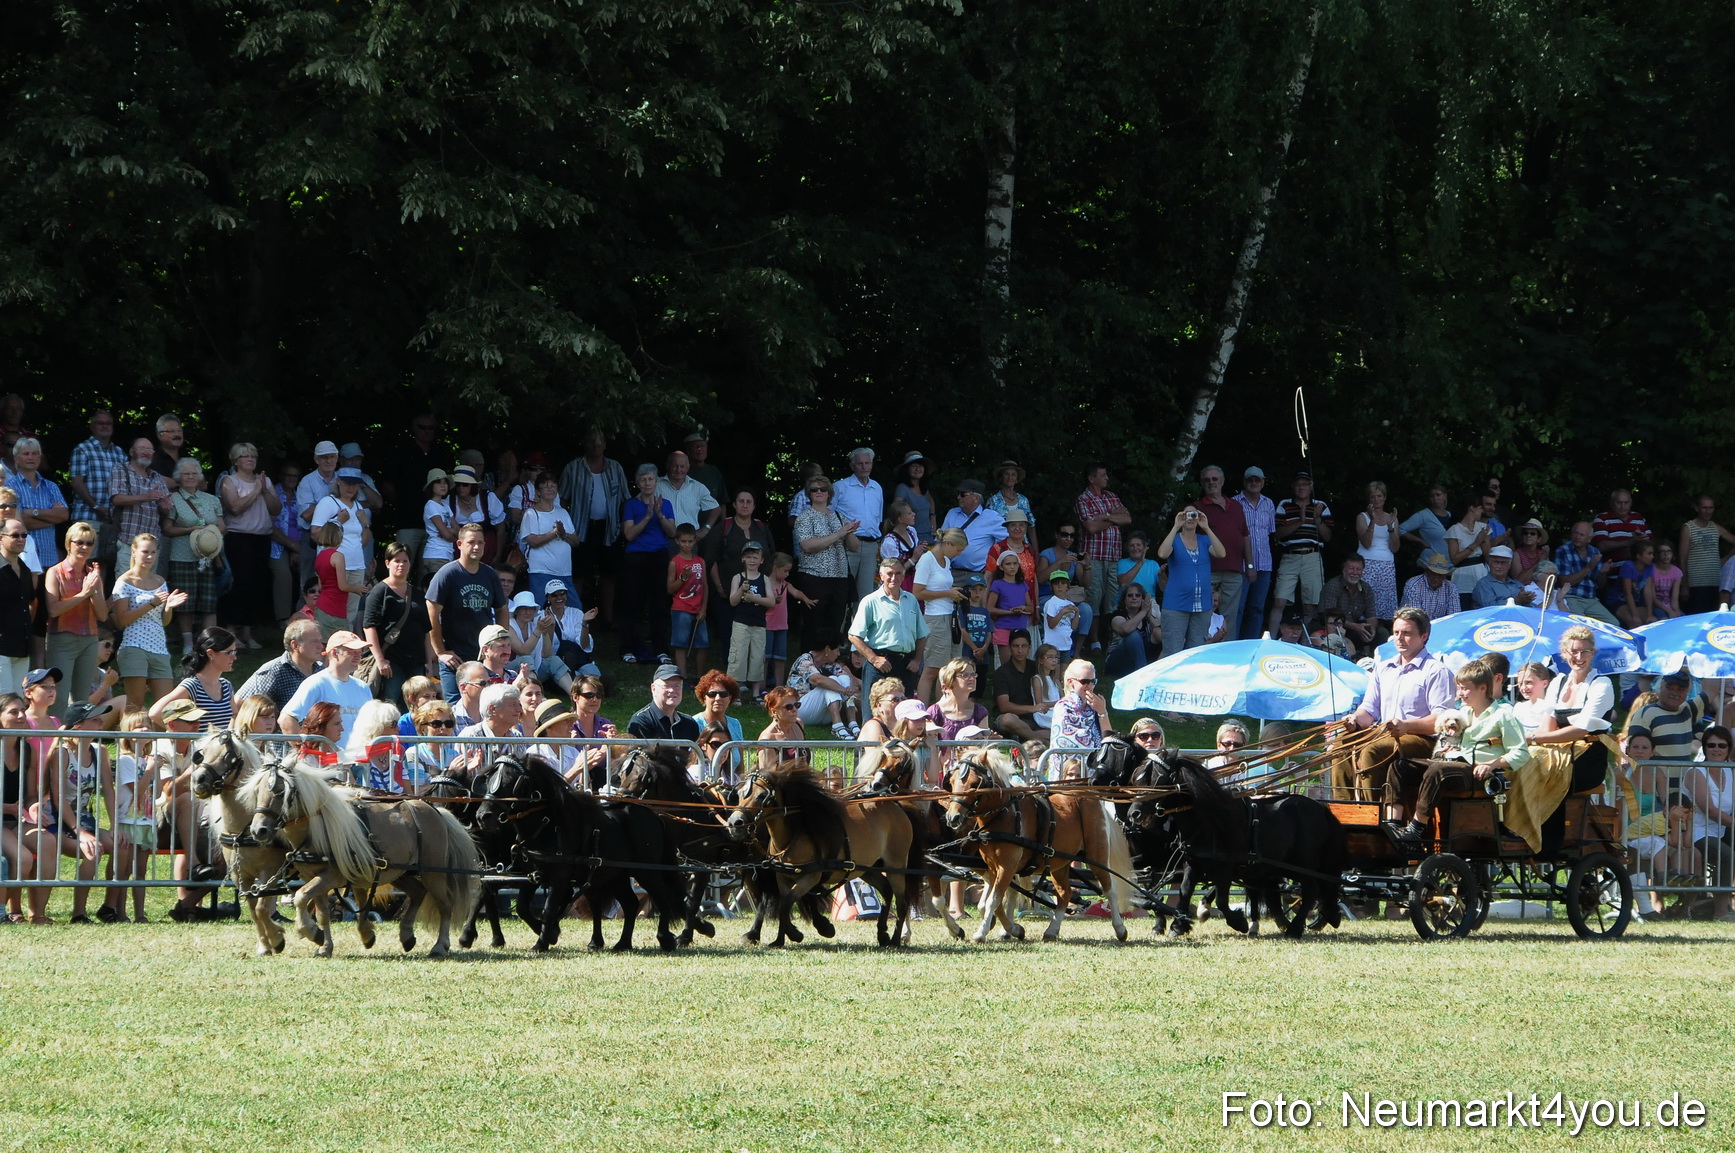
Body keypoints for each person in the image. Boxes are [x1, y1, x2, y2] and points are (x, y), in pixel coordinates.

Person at [1385, 655, 1531, 846]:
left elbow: (1521, 753)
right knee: (1401, 766)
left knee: (1437, 771)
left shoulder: (1503, 715)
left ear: (1483, 688)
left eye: (1465, 688)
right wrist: (1445, 749)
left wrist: (1492, 764)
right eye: (1459, 688)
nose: (1460, 693)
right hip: (1453, 764)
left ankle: (1416, 829)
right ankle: (1393, 824)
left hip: (1479, 773)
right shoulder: (1464, 714)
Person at [1338, 607, 1455, 801]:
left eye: (1407, 633)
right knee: (1341, 742)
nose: (1399, 638)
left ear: (1424, 636)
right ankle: (1343, 808)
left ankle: (1373, 812)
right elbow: (1369, 709)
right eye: (1396, 633)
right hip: (1386, 734)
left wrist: (1405, 726)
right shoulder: (1383, 669)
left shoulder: (1437, 671)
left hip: (1423, 740)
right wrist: (1354, 720)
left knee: (1372, 750)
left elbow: (1441, 721)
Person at [1526, 624, 1618, 848]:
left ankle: (1550, 843)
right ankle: (1520, 829)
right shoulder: (1558, 683)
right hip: (1559, 752)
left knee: (1549, 774)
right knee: (1520, 766)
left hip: (1589, 758)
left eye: (1584, 651)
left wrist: (1535, 739)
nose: (1579, 657)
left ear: (1593, 653)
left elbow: (1581, 729)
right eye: (1574, 651)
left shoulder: (1601, 684)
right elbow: (1548, 727)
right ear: (1564, 654)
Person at [31, 699, 121, 922]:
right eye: (95, 719)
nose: (101, 722)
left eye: (101, 718)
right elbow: (58, 798)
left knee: (122, 846)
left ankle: (109, 908)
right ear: (78, 726)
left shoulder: (100, 751)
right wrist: (80, 832)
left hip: (84, 820)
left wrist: (116, 827)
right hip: (58, 821)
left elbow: (109, 791)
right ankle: (79, 913)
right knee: (93, 848)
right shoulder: (62, 753)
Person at [426, 523, 509, 701]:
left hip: (483, 655)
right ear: (459, 544)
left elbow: (502, 608)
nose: (477, 547)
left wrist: (501, 643)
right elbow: (431, 613)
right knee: (455, 707)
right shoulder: (447, 574)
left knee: (486, 706)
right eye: (471, 542)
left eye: (481, 542)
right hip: (454, 657)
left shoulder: (490, 574)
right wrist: (441, 652)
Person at [558, 429, 628, 630]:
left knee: (610, 574)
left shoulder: (615, 467)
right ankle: (574, 620)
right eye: (591, 443)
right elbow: (562, 498)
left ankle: (607, 619)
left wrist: (623, 523)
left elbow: (625, 498)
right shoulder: (573, 467)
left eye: (599, 443)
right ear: (585, 444)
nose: (595, 446)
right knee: (579, 574)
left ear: (605, 445)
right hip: (581, 527)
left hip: (610, 527)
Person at [110, 533, 186, 712]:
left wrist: (169, 607)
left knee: (166, 707)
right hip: (134, 646)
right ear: (134, 552)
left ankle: (159, 741)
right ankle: (129, 740)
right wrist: (151, 603)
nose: (150, 556)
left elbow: (164, 622)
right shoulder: (124, 582)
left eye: (153, 552)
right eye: (145, 552)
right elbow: (121, 620)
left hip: (158, 646)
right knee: (135, 704)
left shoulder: (159, 581)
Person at [217, 442, 281, 649]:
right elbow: (235, 508)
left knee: (257, 584)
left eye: (253, 456)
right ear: (235, 461)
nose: (250, 459)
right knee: (239, 584)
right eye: (245, 456)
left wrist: (265, 491)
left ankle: (247, 631)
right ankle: (231, 631)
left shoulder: (265, 481)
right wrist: (256, 491)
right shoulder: (229, 481)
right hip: (238, 538)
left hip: (261, 538)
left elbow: (276, 509)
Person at [43, 521, 109, 718]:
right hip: (62, 638)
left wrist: (94, 589)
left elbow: (103, 615)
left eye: (89, 543)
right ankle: (55, 743)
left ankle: (78, 744)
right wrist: (83, 593)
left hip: (89, 639)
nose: (84, 547)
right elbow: (53, 610)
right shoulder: (55, 572)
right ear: (68, 544)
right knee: (59, 697)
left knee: (82, 699)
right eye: (79, 542)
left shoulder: (92, 573)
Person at [162, 458, 225, 652]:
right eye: (186, 474)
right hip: (181, 555)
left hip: (207, 556)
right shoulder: (172, 499)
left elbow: (223, 526)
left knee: (208, 602)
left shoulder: (212, 500)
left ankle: (210, 644)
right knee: (185, 603)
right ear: (178, 478)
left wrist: (211, 530)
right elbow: (167, 529)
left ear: (199, 477)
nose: (190, 477)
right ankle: (188, 643)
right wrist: (192, 529)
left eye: (194, 474)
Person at [362, 541, 433, 708]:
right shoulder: (379, 592)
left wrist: (429, 663)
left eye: (405, 560)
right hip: (391, 661)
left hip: (416, 661)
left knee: (419, 706)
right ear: (387, 563)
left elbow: (426, 630)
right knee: (391, 704)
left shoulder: (416, 593)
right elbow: (369, 626)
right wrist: (380, 660)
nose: (401, 565)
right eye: (397, 560)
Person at [847, 556, 927, 702]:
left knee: (905, 714)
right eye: (889, 573)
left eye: (898, 573)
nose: (893, 578)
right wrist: (873, 658)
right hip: (881, 664)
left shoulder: (911, 600)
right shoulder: (870, 601)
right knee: (874, 713)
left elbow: (922, 633)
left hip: (907, 665)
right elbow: (853, 636)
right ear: (881, 575)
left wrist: (917, 659)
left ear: (903, 576)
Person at [791, 474, 857, 651]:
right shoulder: (805, 517)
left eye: (823, 489)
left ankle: (831, 665)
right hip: (815, 577)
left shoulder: (839, 516)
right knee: (813, 626)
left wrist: (849, 532)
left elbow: (855, 547)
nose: (819, 492)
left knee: (835, 625)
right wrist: (838, 534)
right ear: (809, 494)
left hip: (839, 578)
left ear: (829, 493)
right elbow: (807, 546)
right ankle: (808, 665)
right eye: (814, 489)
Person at [705, 486, 775, 652]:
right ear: (734, 505)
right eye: (741, 501)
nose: (745, 505)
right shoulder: (723, 527)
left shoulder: (761, 528)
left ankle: (756, 675)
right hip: (728, 593)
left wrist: (770, 589)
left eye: (748, 502)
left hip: (758, 596)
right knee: (730, 638)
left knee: (756, 637)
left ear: (754, 506)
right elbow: (711, 559)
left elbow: (772, 558)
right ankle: (731, 675)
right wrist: (720, 587)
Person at [280, 630, 376, 751]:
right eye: (352, 652)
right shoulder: (316, 683)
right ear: (335, 653)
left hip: (359, 763)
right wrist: (306, 754)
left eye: (359, 652)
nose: (358, 656)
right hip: (327, 765)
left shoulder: (363, 687)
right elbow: (286, 720)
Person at [620, 462, 676, 664]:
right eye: (643, 480)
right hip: (636, 556)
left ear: (656, 481)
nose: (647, 483)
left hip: (659, 556)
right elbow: (629, 534)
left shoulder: (666, 504)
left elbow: (672, 532)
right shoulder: (631, 505)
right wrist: (648, 516)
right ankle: (628, 649)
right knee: (632, 604)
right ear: (637, 483)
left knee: (659, 605)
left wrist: (659, 514)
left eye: (650, 479)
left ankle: (661, 649)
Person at [1267, 471, 1333, 633]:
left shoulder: (1320, 505)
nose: (1301, 487)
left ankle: (1307, 644)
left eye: (1305, 484)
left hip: (1312, 556)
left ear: (1311, 486)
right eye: (1298, 484)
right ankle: (1271, 640)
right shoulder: (1285, 504)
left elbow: (1328, 536)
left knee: (1311, 604)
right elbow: (1278, 534)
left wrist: (1317, 520)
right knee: (1279, 601)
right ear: (1293, 486)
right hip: (1290, 556)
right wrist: (1301, 521)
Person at [1073, 464, 1130, 651]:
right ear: (1092, 478)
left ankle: (1113, 639)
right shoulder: (1083, 500)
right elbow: (1091, 527)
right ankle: (1095, 642)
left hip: (1113, 557)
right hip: (1093, 556)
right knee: (1093, 598)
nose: (1106, 478)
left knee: (1113, 599)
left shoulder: (1111, 496)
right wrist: (1113, 518)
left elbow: (1127, 518)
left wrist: (1105, 516)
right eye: (1103, 475)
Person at [1681, 728, 1735, 920]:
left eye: (1722, 745)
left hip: (1720, 831)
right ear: (1704, 747)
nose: (1716, 749)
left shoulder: (1731, 771)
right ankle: (1721, 911)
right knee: (1726, 855)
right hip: (1693, 832)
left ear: (1729, 749)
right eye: (1711, 745)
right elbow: (1710, 810)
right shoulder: (1695, 772)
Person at [1158, 505, 1224, 658]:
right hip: (1176, 605)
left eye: (1194, 514)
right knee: (1172, 652)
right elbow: (1162, 553)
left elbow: (1221, 553)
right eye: (1186, 514)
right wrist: (1176, 526)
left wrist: (1206, 527)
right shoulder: (1174, 539)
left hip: (1202, 605)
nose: (1190, 518)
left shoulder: (1204, 540)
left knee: (1196, 652)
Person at [67, 409, 127, 577]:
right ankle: (80, 601)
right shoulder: (82, 449)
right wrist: (97, 506)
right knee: (84, 564)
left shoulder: (120, 453)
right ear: (92, 426)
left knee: (104, 565)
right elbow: (77, 483)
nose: (104, 426)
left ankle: (98, 602)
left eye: (108, 423)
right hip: (88, 517)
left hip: (112, 520)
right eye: (100, 423)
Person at [149, 625, 238, 735]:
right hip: (198, 750)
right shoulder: (192, 685)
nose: (234, 657)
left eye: (234, 652)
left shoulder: (226, 685)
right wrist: (184, 735)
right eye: (229, 652)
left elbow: (234, 715)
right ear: (211, 653)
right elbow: (155, 713)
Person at [1193, 464, 1250, 633]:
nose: (1211, 482)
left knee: (1230, 616)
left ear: (1223, 481)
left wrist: (1251, 565)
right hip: (1208, 569)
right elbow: (1190, 539)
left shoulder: (1237, 506)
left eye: (1215, 479)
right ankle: (1203, 649)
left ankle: (1229, 653)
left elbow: (1245, 536)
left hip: (1234, 569)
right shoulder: (1197, 508)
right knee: (1204, 613)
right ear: (1202, 484)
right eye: (1207, 480)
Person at [383, 412, 443, 566]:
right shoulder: (401, 452)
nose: (427, 431)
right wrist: (403, 504)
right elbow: (388, 485)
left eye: (431, 428)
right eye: (422, 427)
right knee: (402, 566)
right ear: (414, 429)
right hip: (408, 521)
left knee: (428, 572)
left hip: (435, 526)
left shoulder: (440, 453)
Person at [109, 437, 173, 577]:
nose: (146, 452)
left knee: (148, 592)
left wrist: (165, 507)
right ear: (132, 452)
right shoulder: (121, 469)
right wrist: (146, 496)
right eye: (142, 449)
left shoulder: (157, 477)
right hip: (128, 542)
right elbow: (117, 499)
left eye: (149, 450)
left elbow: (165, 511)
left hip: (152, 546)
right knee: (125, 590)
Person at [235, 618, 325, 713]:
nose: (321, 646)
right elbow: (238, 704)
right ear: (295, 645)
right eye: (314, 642)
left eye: (320, 641)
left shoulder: (322, 670)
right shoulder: (273, 671)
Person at [832, 447, 885, 603]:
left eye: (867, 463)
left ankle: (861, 628)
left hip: (870, 546)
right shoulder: (840, 487)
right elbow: (829, 515)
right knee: (842, 592)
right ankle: (839, 628)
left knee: (866, 597)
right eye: (860, 463)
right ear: (852, 465)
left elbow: (878, 519)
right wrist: (846, 534)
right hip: (847, 544)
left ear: (872, 464)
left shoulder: (877, 487)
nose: (864, 467)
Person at [517, 469, 576, 604]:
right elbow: (533, 542)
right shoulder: (531, 514)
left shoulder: (563, 513)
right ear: (538, 491)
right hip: (540, 571)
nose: (550, 489)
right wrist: (554, 533)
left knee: (574, 608)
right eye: (545, 486)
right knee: (540, 609)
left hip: (564, 571)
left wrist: (563, 534)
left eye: (553, 486)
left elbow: (576, 541)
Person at [1233, 467, 1277, 639]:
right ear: (1244, 482)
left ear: (1263, 482)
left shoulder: (1269, 503)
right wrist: (1249, 565)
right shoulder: (1234, 503)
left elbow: (1270, 533)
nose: (1254, 483)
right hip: (1241, 564)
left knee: (1258, 608)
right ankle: (1233, 644)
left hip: (1265, 564)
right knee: (1238, 608)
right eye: (1250, 480)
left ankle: (1251, 644)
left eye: (1257, 480)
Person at [11, 438, 68, 569]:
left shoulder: (51, 486)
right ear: (16, 459)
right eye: (26, 454)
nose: (31, 457)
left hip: (50, 559)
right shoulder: (11, 488)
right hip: (23, 560)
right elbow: (20, 523)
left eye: (35, 453)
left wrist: (33, 512)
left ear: (39, 458)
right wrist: (52, 518)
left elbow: (64, 515)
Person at [1048, 658, 1110, 777]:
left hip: (1092, 774)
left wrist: (1102, 712)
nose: (1090, 686)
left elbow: (1108, 737)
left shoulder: (1095, 706)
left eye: (1093, 681)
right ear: (1071, 682)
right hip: (1067, 774)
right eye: (1085, 681)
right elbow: (1067, 741)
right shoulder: (1062, 706)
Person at [789, 636, 860, 739]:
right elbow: (817, 680)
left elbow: (846, 677)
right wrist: (844, 690)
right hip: (800, 710)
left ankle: (852, 724)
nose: (838, 654)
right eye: (837, 650)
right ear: (827, 649)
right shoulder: (805, 659)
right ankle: (837, 725)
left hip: (822, 714)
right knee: (830, 681)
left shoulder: (830, 664)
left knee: (843, 678)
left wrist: (851, 689)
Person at [728, 540, 774, 699]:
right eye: (748, 557)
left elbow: (771, 601)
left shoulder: (765, 579)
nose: (752, 561)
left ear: (761, 560)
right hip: (741, 622)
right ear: (743, 559)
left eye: (755, 557)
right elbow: (733, 601)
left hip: (759, 624)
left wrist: (755, 598)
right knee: (738, 657)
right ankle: (736, 694)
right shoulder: (737, 578)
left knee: (757, 658)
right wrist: (742, 590)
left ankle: (756, 694)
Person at [940, 479, 1008, 585]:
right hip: (951, 574)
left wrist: (995, 566)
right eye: (958, 494)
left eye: (963, 494)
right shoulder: (952, 513)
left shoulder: (991, 517)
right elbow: (940, 541)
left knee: (976, 602)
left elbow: (1010, 541)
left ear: (976, 498)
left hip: (978, 577)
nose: (958, 497)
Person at [294, 441, 341, 589]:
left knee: (337, 582)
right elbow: (306, 515)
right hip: (311, 538)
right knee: (308, 584)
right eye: (324, 457)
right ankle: (304, 612)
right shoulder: (307, 482)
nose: (328, 461)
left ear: (337, 458)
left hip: (339, 535)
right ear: (316, 460)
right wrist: (329, 498)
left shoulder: (343, 479)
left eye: (332, 456)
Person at [1355, 481, 1401, 628]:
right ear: (1368, 499)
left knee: (1384, 608)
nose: (1376, 500)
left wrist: (1391, 528)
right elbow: (1367, 543)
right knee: (1365, 603)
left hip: (1386, 564)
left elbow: (1395, 548)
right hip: (1367, 563)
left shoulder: (1392, 518)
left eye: (1379, 496)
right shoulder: (1362, 517)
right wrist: (1373, 521)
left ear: (1384, 497)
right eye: (1372, 496)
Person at [1318, 555, 1384, 658]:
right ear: (1343, 570)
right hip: (1335, 627)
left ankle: (1378, 662)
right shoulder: (1333, 586)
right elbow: (1328, 616)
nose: (1355, 572)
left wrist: (1371, 629)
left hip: (1356, 628)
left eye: (1358, 569)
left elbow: (1371, 616)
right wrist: (1356, 627)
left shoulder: (1366, 588)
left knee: (1381, 633)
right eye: (1351, 568)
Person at [667, 524, 709, 678]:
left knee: (703, 644)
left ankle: (700, 678)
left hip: (698, 609)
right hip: (681, 608)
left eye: (690, 541)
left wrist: (704, 608)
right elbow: (670, 588)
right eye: (683, 541)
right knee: (681, 645)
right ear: (677, 541)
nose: (687, 545)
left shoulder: (700, 561)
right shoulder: (675, 562)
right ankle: (682, 678)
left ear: (695, 541)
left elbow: (704, 586)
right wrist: (683, 578)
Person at [445, 465, 508, 567]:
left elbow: (500, 528)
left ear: (472, 485)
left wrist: (498, 555)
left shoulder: (487, 498)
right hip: (460, 551)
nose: (461, 487)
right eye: (457, 484)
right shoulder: (449, 501)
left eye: (465, 484)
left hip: (486, 549)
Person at [992, 629, 1045, 741]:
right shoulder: (1001, 672)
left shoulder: (1037, 668)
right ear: (1010, 647)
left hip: (1034, 719)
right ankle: (1041, 741)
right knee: (1007, 719)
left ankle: (1025, 736)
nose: (1020, 650)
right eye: (1016, 646)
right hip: (1010, 718)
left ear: (1029, 647)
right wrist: (1032, 708)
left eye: (1024, 646)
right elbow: (1004, 706)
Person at [629, 663, 701, 742]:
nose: (672, 690)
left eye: (677, 686)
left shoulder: (689, 724)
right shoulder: (641, 721)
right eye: (666, 685)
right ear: (653, 689)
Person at [0, 518, 32, 695]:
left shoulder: (25, 570)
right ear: (1, 538)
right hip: (1, 649)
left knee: (18, 704)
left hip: (21, 648)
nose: (21, 539)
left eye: (24, 535)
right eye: (15, 535)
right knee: (3, 704)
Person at [925, 658, 987, 747]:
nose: (972, 678)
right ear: (951, 680)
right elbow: (930, 746)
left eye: (973, 674)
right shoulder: (934, 712)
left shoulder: (980, 712)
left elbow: (982, 748)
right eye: (965, 675)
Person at [986, 549, 1034, 663]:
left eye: (1015, 563)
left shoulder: (1022, 584)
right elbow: (989, 608)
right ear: (1001, 567)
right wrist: (1010, 612)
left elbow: (1031, 608)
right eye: (1008, 564)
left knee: (1021, 664)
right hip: (1004, 628)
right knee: (1007, 665)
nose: (1012, 567)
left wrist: (1023, 609)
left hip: (1020, 629)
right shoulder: (998, 584)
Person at [1103, 584, 1161, 678]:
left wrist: (1148, 615)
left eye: (1138, 595)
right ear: (1124, 599)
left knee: (1157, 633)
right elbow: (1125, 629)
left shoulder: (1145, 615)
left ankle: (1160, 671)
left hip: (1137, 659)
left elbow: (1159, 634)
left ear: (1142, 599)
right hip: (1117, 661)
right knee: (1133, 635)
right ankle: (1143, 674)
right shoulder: (1117, 614)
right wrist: (1143, 612)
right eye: (1130, 595)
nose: (1134, 598)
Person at [1604, 538, 1658, 628]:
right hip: (1618, 600)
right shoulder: (1628, 566)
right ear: (1639, 556)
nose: (1652, 557)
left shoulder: (1650, 566)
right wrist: (1635, 615)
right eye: (1649, 554)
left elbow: (1648, 591)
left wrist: (1649, 614)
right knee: (1634, 622)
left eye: (1652, 554)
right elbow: (1627, 593)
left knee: (1652, 623)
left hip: (1636, 600)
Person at [418, 469, 457, 582]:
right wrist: (453, 534)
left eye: (445, 482)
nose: (443, 485)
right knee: (439, 592)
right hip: (436, 554)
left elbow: (458, 530)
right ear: (431, 486)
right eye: (438, 482)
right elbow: (446, 535)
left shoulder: (445, 504)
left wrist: (451, 531)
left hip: (446, 554)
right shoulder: (431, 505)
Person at [1592, 489, 1649, 565]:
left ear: (1631, 503)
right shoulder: (1602, 518)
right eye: (1619, 503)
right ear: (1611, 503)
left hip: (1641, 572)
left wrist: (1643, 539)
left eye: (1626, 503)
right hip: (1613, 573)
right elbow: (1601, 546)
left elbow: (1652, 542)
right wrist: (1630, 541)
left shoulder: (1638, 517)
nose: (1623, 506)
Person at [1399, 550, 1459, 620]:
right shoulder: (1413, 585)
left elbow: (1454, 616)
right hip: (1416, 626)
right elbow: (1415, 618)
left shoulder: (1451, 588)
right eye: (1433, 573)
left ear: (1445, 576)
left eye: (1440, 575)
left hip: (1442, 627)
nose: (1436, 578)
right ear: (1426, 572)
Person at [1398, 483, 1453, 559]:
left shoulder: (1450, 515)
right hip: (1432, 561)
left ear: (1445, 496)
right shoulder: (1423, 515)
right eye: (1432, 496)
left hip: (1451, 562)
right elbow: (1400, 529)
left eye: (1438, 495)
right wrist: (1420, 541)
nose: (1435, 498)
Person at [893, 451, 937, 545]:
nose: (918, 469)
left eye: (920, 466)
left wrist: (933, 518)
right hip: (912, 538)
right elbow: (896, 510)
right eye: (914, 466)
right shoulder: (902, 488)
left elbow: (931, 501)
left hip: (928, 536)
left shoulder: (923, 488)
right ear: (907, 469)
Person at [1041, 570, 1080, 659]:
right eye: (1056, 584)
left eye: (1063, 583)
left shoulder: (1070, 604)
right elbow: (1051, 624)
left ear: (1067, 586)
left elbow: (1074, 627)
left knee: (1064, 671)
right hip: (1053, 645)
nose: (1060, 586)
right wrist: (1062, 612)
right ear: (1051, 587)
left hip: (1065, 644)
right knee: (1055, 670)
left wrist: (1077, 613)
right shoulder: (1051, 602)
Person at [1510, 519, 1547, 584]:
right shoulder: (1517, 554)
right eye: (1525, 533)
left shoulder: (1542, 553)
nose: (1528, 535)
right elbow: (1518, 581)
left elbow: (1548, 579)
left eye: (1532, 534)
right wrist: (1539, 563)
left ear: (1539, 539)